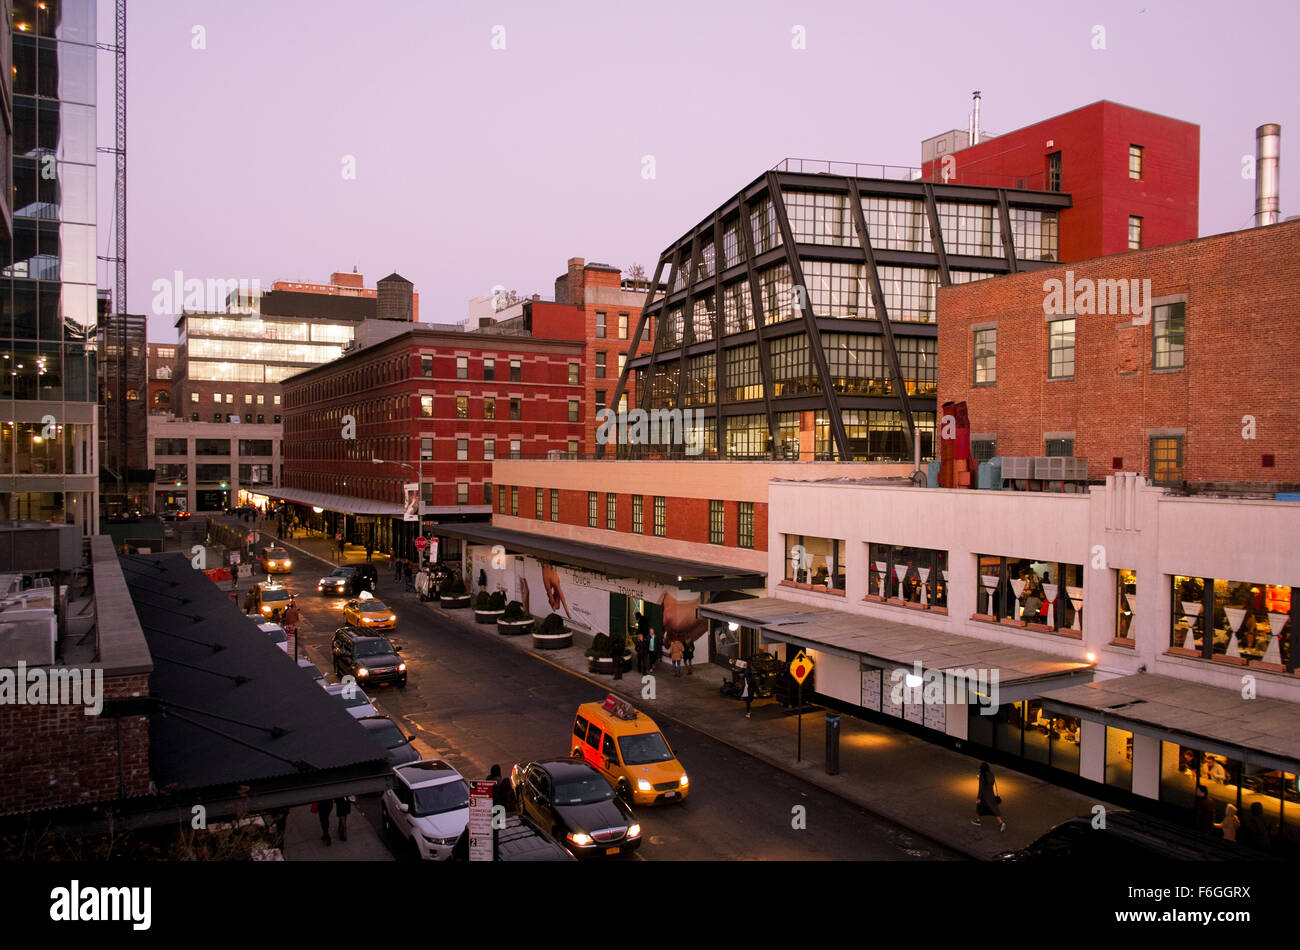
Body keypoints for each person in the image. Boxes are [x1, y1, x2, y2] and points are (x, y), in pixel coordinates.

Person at [970, 762, 1005, 831]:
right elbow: (992, 782)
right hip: (991, 794)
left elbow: (981, 788)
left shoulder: (982, 776)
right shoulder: (991, 774)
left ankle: (978, 821)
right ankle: (1000, 822)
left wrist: (979, 798)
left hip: (984, 795)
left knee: (979, 807)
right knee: (993, 808)